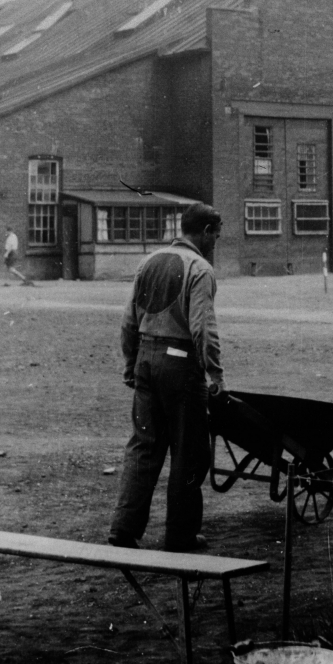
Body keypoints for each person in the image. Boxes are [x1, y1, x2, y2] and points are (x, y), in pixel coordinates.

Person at [108, 202, 227, 553]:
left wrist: (131, 363)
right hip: (181, 367)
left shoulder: (148, 262)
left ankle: (124, 529)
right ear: (204, 232)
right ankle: (180, 535)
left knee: (143, 448)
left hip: (145, 359)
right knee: (189, 454)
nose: (215, 245)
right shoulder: (200, 268)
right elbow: (202, 326)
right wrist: (215, 374)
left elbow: (129, 320)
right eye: (215, 238)